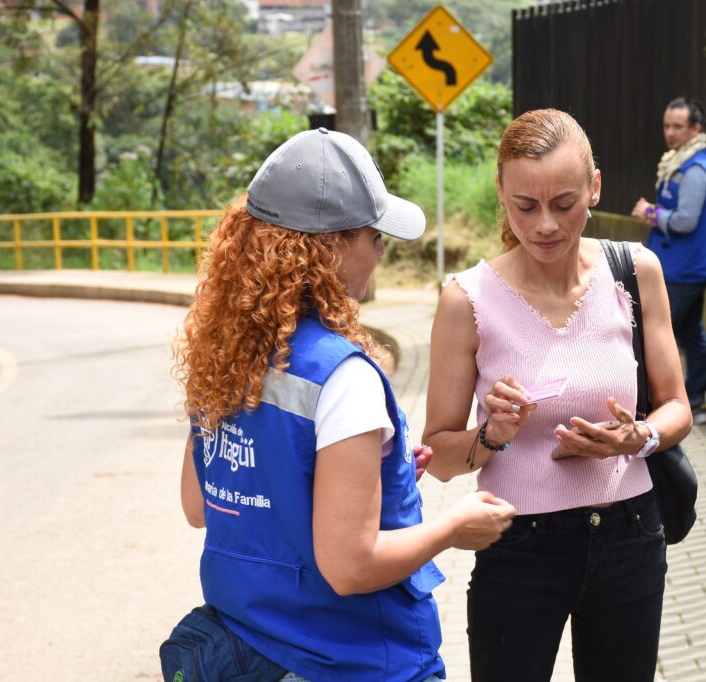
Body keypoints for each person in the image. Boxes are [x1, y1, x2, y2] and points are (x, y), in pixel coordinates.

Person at [172, 128, 515, 681]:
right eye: (375, 235)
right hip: (351, 658)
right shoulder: (343, 378)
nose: (382, 250)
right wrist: (455, 528)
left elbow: (201, 505)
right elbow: (350, 566)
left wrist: (376, 478)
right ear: (330, 245)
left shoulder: (229, 356)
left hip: (252, 650)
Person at [423, 109, 692, 682]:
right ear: (501, 191)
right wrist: (492, 432)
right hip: (519, 544)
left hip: (630, 534)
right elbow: (440, 459)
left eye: (564, 203)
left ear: (595, 186)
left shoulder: (635, 271)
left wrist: (636, 437)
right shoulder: (465, 300)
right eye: (525, 206)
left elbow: (677, 408)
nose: (545, 224)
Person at [631, 97, 706, 425]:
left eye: (678, 126)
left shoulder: (695, 169)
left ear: (695, 128)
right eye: (666, 126)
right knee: (691, 334)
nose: (670, 133)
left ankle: (665, 405)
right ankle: (696, 403)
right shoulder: (679, 161)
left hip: (688, 267)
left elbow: (686, 220)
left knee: (660, 333)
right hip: (684, 262)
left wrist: (650, 213)